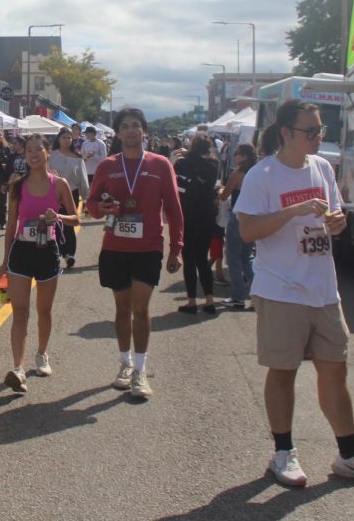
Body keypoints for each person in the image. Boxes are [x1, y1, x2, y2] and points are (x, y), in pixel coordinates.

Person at [236, 99, 354, 488]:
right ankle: (283, 452)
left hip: (323, 288)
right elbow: (247, 231)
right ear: (286, 133)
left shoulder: (322, 168)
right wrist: (292, 212)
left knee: (336, 369)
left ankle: (349, 454)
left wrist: (337, 223)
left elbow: (334, 219)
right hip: (281, 287)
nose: (317, 137)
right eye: (310, 131)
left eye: (320, 131)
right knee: (283, 370)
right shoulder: (262, 175)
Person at [86, 107, 185, 399]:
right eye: (125, 126)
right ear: (118, 133)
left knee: (141, 309)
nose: (130, 131)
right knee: (122, 309)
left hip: (148, 247)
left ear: (144, 131)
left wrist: (176, 248)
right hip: (115, 246)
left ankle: (140, 370)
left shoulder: (160, 164)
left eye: (135, 126)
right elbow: (90, 205)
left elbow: (174, 210)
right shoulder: (106, 165)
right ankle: (125, 364)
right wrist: (99, 208)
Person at [0, 133, 79, 392]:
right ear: (25, 156)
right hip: (21, 251)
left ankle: (42, 354)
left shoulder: (59, 184)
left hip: (48, 252)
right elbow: (11, 224)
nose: (33, 154)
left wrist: (58, 217)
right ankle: (18, 369)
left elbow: (76, 218)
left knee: (44, 311)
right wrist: (4, 260)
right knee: (19, 312)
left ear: (48, 153)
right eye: (29, 150)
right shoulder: (17, 185)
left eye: (38, 150)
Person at [174, 133, 220, 314]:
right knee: (202, 258)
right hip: (207, 215)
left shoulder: (182, 163)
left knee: (189, 260)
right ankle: (209, 300)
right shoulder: (213, 165)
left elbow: (175, 184)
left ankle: (192, 301)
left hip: (187, 215)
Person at [219, 143, 257, 309]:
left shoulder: (238, 173)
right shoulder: (257, 172)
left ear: (245, 156)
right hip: (254, 218)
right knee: (247, 258)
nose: (234, 156)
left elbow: (225, 195)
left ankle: (238, 297)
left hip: (238, 217)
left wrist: (219, 191)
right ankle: (258, 296)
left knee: (234, 258)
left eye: (237, 153)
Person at [48, 127, 89, 269]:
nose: (66, 140)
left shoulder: (77, 158)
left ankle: (69, 254)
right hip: (53, 193)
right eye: (64, 137)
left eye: (69, 138)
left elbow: (83, 179)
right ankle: (56, 252)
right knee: (54, 222)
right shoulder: (51, 155)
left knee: (69, 223)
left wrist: (86, 199)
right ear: (58, 139)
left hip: (72, 193)